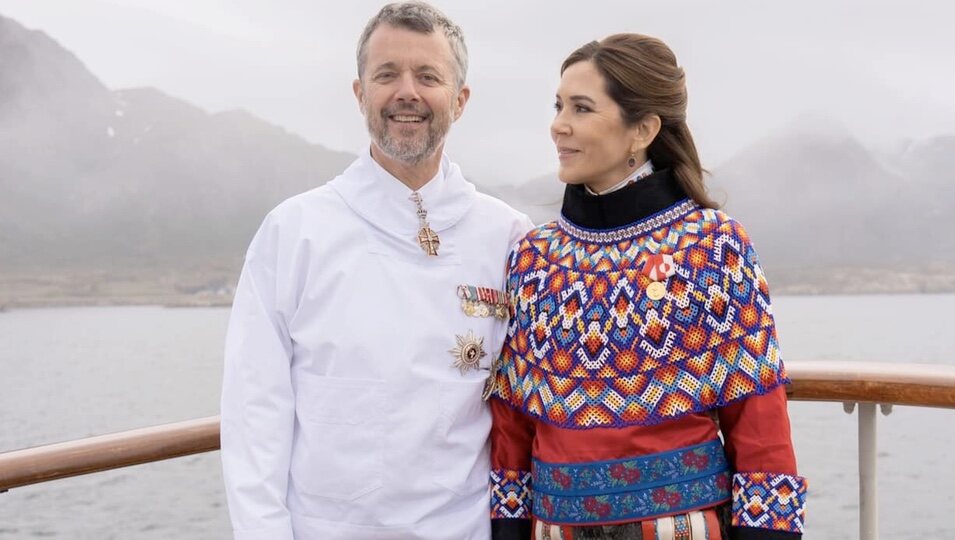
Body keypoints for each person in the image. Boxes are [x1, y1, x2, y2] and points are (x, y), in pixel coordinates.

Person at [220, 2, 532, 538]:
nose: (406, 92)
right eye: (386, 74)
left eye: (428, 76)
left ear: (459, 100)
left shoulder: (507, 237)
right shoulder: (296, 232)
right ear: (360, 93)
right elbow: (254, 417)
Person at [488, 34, 807, 540]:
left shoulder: (712, 247)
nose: (558, 125)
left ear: (642, 130)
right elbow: (513, 424)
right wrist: (506, 528)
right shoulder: (535, 258)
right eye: (558, 105)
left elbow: (759, 421)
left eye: (582, 108)